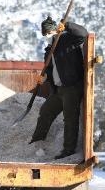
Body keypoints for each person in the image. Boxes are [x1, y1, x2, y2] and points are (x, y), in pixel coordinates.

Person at [29, 15, 88, 159]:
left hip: (72, 86)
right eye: (45, 34)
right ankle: (36, 141)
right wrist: (45, 77)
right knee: (46, 111)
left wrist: (67, 25)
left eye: (49, 33)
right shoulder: (49, 50)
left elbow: (83, 34)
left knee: (70, 118)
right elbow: (50, 69)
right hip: (58, 89)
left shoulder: (68, 40)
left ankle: (68, 150)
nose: (47, 36)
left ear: (56, 30)